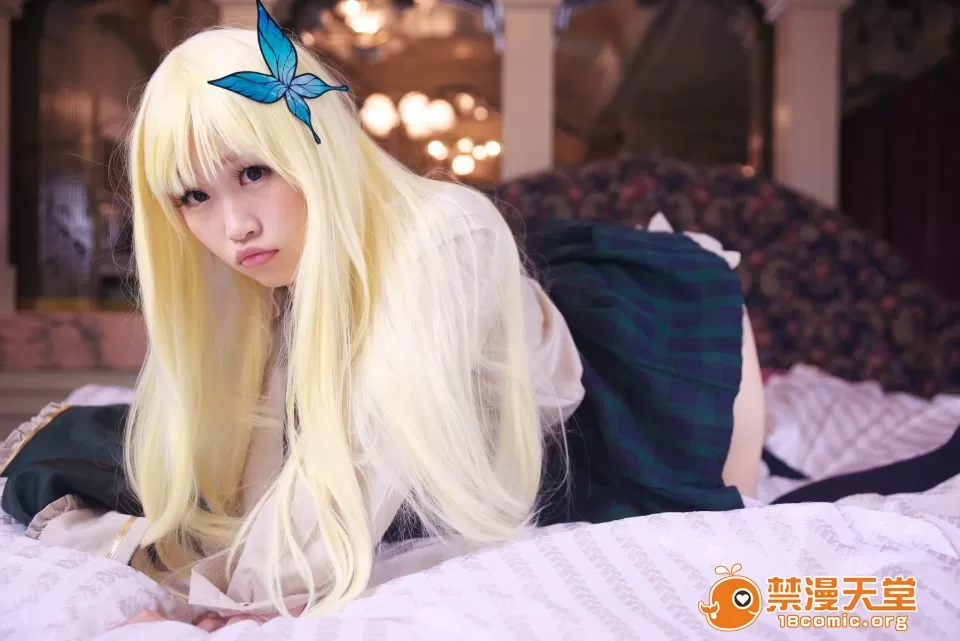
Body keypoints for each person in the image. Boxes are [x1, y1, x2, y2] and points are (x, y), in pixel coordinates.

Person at [0, 0, 764, 629]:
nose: (234, 227)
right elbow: (266, 492)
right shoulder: (276, 278)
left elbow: (325, 523)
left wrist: (213, 598)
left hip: (669, 396)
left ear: (315, 147)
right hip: (469, 403)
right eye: (195, 196)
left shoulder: (445, 241)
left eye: (254, 172)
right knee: (70, 457)